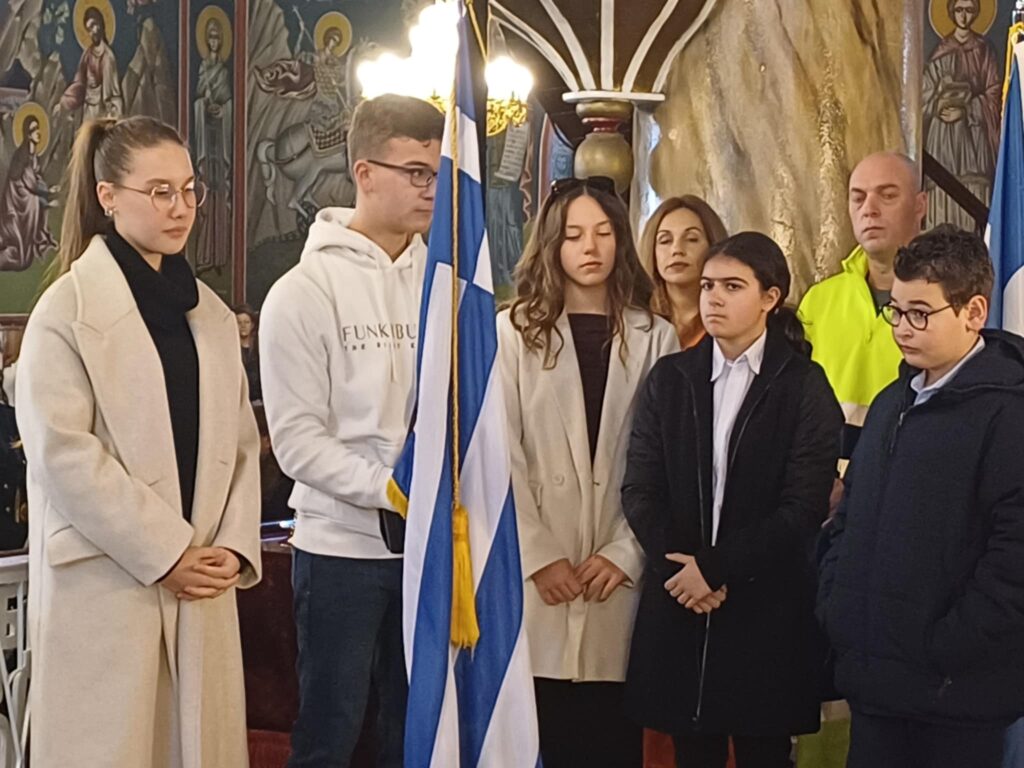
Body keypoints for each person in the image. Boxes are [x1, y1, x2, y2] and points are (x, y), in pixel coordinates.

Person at [15, 115, 260, 767]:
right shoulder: (66, 311)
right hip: (109, 577)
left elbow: (241, 443)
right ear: (108, 197)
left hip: (202, 575)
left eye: (189, 190)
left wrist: (232, 546)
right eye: (160, 192)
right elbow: (64, 455)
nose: (181, 208)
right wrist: (167, 550)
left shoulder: (208, 313)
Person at [259, 94, 443, 768]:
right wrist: (390, 488)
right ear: (364, 173)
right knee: (331, 732)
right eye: (415, 172)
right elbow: (296, 441)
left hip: (432, 547)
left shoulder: (445, 286)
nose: (430, 188)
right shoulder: (303, 291)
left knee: (415, 730)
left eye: (437, 174)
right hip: (341, 549)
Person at [623, 232, 842, 768]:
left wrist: (716, 569)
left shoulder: (803, 385)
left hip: (764, 610)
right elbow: (641, 489)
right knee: (692, 750)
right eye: (707, 286)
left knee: (763, 751)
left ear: (770, 297)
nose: (714, 298)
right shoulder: (672, 378)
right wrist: (685, 570)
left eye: (732, 286)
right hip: (682, 602)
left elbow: (803, 507)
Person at [817, 225, 1024, 768]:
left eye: (920, 314)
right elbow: (850, 517)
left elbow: (1013, 557)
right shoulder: (892, 401)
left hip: (955, 694)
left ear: (974, 312)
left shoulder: (1008, 411)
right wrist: (837, 603)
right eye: (896, 311)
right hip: (875, 684)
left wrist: (947, 645)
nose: (902, 329)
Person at [498, 176, 678, 768]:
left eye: (603, 233)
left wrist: (627, 552)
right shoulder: (513, 330)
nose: (590, 247)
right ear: (552, 244)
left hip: (616, 568)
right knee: (542, 734)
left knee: (610, 740)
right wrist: (538, 554)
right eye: (573, 235)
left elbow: (668, 459)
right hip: (539, 569)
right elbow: (501, 451)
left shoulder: (656, 336)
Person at [799, 152, 927, 445]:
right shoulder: (819, 300)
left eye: (888, 196)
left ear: (920, 205)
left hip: (911, 459)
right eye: (858, 198)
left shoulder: (946, 300)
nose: (869, 210)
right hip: (826, 465)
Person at [923, 0, 1001, 231]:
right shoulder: (940, 50)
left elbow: (994, 92)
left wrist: (967, 109)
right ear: (951, 12)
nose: (963, 16)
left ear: (976, 13)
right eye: (959, 10)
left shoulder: (984, 50)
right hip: (942, 135)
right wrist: (938, 102)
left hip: (973, 136)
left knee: (974, 190)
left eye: (969, 10)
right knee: (942, 192)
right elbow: (924, 94)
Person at [639, 195, 728, 349]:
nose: (677, 250)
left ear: (713, 245)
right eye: (665, 241)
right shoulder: (636, 319)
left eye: (691, 239)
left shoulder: (732, 315)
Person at [193, 16, 233, 274]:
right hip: (206, 141)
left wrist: (223, 110)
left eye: (218, 37)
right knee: (206, 194)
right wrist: (203, 106)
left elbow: (228, 103)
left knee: (220, 193)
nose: (214, 41)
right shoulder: (203, 69)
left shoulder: (224, 72)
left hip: (221, 138)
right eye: (211, 37)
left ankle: (220, 255)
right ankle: (205, 254)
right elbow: (197, 100)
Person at [0, 112, 58, 271]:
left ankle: (39, 240)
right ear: (27, 134)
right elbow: (27, 183)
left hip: (25, 193)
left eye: (38, 129)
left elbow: (35, 179)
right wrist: (46, 195)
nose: (38, 132)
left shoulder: (33, 155)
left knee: (35, 202)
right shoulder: (22, 155)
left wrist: (48, 190)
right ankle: (36, 241)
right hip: (16, 197)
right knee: (33, 203)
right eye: (34, 130)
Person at [59, 7, 124, 121]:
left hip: (102, 110)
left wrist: (114, 114)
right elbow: (79, 82)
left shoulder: (108, 56)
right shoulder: (87, 54)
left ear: (100, 24)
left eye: (93, 25)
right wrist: (66, 100)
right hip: (88, 108)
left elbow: (112, 93)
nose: (92, 32)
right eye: (88, 29)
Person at [233, 304, 261, 403]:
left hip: (257, 400)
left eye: (246, 322)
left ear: (252, 325)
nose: (243, 326)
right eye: (239, 322)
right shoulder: (231, 348)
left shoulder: (258, 347)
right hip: (237, 399)